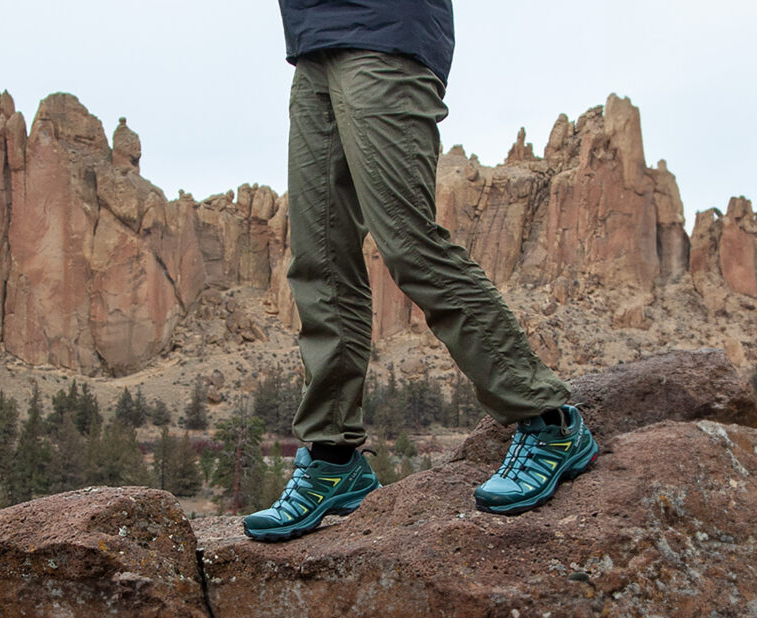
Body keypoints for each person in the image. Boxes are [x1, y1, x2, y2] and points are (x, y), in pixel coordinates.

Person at [242, 1, 598, 542]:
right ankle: (333, 458)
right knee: (319, 260)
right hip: (312, 46)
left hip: (385, 37)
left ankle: (548, 421)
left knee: (407, 243)